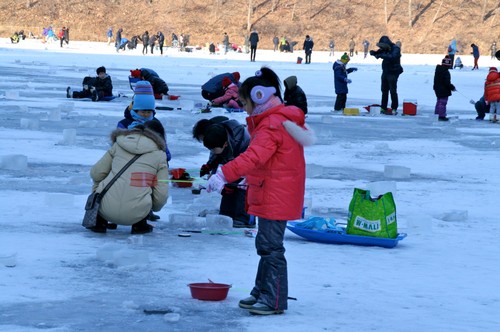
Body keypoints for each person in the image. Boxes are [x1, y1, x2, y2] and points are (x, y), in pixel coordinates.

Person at [206, 67, 314, 315]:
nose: (242, 108)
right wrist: (247, 179)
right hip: (273, 191)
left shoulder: (271, 125)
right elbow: (267, 162)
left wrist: (224, 174)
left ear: (259, 97)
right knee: (265, 243)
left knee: (271, 247)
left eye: (244, 102)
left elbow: (253, 157)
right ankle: (262, 290)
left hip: (276, 194)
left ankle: (273, 299)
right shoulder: (274, 121)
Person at [89, 120, 169, 234]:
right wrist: (154, 208)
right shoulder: (160, 155)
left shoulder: (118, 145)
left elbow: (96, 173)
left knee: (101, 181)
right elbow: (161, 193)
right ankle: (139, 225)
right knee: (146, 185)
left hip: (105, 209)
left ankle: (99, 221)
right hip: (137, 213)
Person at [193, 117, 252, 227]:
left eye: (213, 149)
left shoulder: (240, 143)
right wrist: (210, 165)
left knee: (240, 188)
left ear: (225, 144)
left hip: (246, 168)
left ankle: (243, 218)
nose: (212, 151)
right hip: (234, 164)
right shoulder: (218, 137)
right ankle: (226, 215)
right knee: (227, 190)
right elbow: (217, 154)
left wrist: (231, 181)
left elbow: (243, 167)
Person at [370, 35, 404, 114]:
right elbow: (381, 52)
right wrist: (375, 53)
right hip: (385, 72)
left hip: (393, 72)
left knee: (392, 91)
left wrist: (381, 55)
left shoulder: (395, 49)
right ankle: (383, 107)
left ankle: (394, 108)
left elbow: (392, 57)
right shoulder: (386, 49)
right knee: (384, 90)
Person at [433, 56, 456, 121]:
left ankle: (437, 114)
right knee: (443, 103)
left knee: (439, 102)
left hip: (437, 89)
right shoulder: (446, 72)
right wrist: (452, 87)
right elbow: (447, 83)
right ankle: (441, 116)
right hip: (443, 90)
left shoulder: (438, 70)